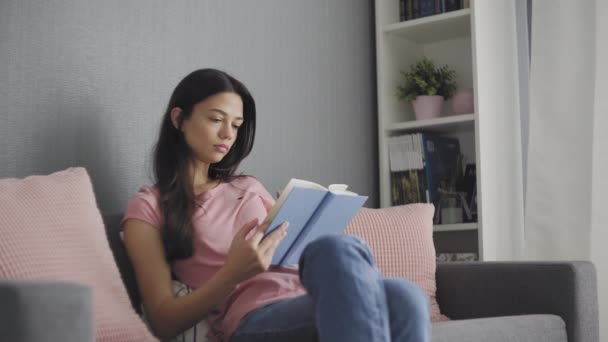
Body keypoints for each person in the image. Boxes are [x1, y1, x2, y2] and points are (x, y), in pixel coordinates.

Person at [121, 68, 431, 342]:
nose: (228, 134)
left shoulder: (248, 186)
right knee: (337, 251)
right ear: (179, 119)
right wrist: (232, 274)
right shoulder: (149, 207)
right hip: (254, 317)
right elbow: (163, 321)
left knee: (404, 294)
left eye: (237, 124)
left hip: (308, 295)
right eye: (216, 119)